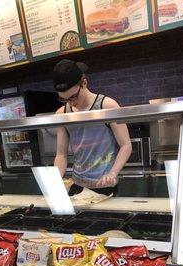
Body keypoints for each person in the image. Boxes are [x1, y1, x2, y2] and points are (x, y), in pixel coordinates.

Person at [53, 59, 132, 196]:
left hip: (105, 184)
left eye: (73, 97)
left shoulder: (107, 106)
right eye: (64, 99)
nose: (70, 103)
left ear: (84, 83)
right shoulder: (62, 113)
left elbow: (126, 145)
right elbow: (61, 154)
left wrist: (112, 173)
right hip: (77, 185)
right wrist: (55, 182)